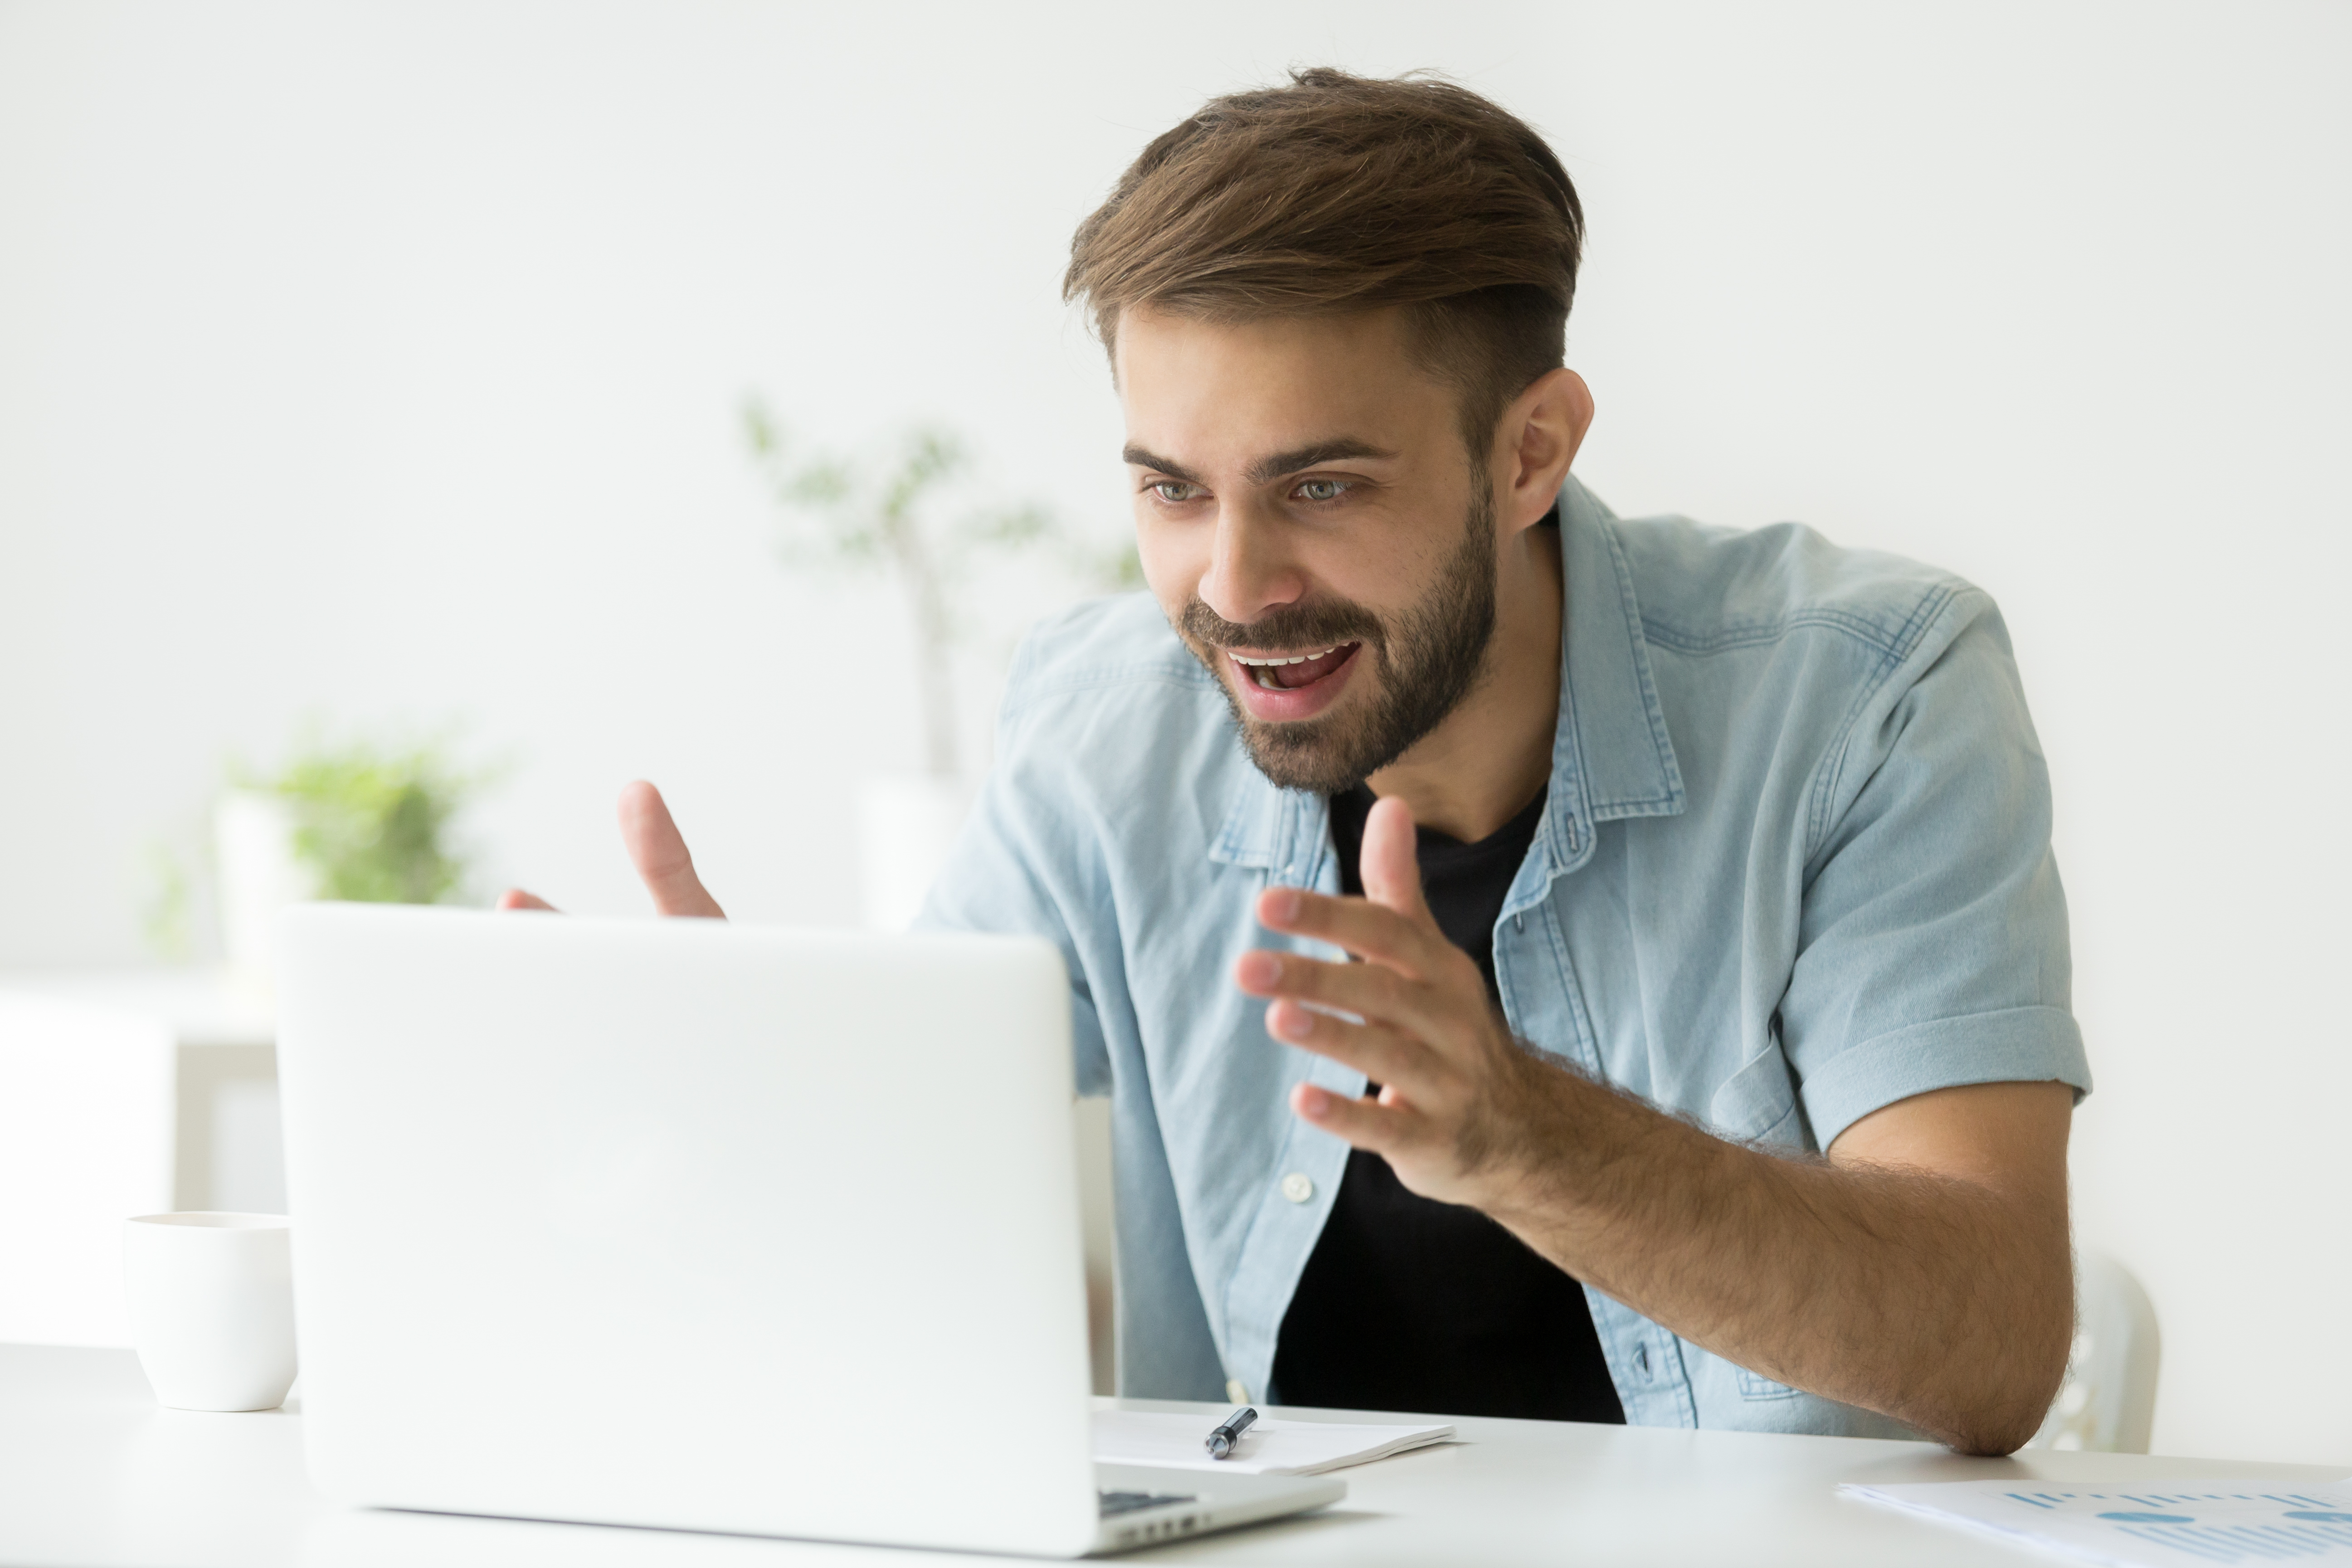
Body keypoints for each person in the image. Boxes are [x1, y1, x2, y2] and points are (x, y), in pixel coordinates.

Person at [506, 68, 2089, 1456]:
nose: (1231, 586)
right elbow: (907, 1153)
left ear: (1529, 449)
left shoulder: (1867, 696)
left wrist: (1520, 1134)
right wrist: (734, 1081)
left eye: (1319, 486)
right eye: (1170, 491)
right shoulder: (1106, 717)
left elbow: (1993, 1338)